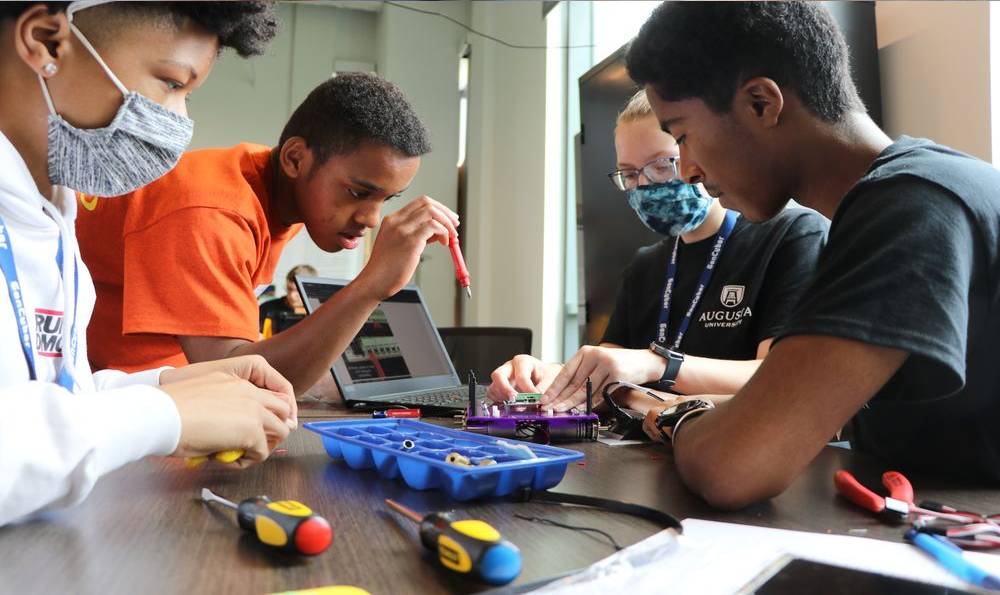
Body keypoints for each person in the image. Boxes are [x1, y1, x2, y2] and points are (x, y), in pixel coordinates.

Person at [624, 1, 1000, 508]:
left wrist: (674, 417)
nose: (688, 170)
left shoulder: (911, 203)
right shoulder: (893, 199)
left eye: (683, 135)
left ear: (761, 102)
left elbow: (733, 465)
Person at [0, 1, 295, 526]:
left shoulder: (52, 216)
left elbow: (55, 394)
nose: (178, 120)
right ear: (46, 42)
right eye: (170, 82)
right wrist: (163, 418)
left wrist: (169, 387)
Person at [77, 72, 459, 396]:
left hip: (159, 385)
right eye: (358, 192)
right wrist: (370, 285)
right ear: (295, 158)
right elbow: (238, 379)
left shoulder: (270, 193)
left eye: (386, 198)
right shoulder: (213, 210)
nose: (372, 218)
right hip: (107, 401)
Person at [488, 90, 827, 411]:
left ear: (698, 152)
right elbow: (607, 368)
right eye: (630, 173)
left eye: (662, 165)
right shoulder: (646, 265)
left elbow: (783, 379)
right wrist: (547, 375)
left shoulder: (791, 235)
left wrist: (657, 367)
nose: (646, 184)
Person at [259, 264, 317, 334]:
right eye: (289, 289)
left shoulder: (318, 312)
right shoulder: (266, 309)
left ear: (311, 290)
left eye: (299, 290)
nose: (292, 295)